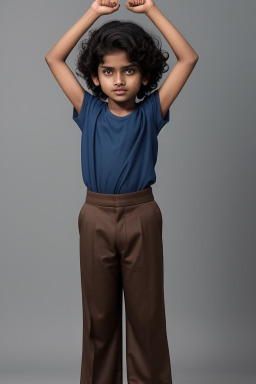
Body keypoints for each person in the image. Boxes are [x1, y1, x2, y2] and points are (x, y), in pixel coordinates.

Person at [45, 1, 198, 383]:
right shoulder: (89, 110)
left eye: (129, 70)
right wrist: (93, 13)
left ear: (144, 76)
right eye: (108, 71)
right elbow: (54, 58)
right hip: (94, 216)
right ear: (95, 78)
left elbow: (187, 58)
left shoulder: (152, 111)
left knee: (146, 319)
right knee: (99, 320)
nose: (118, 80)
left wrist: (152, 11)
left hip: (141, 215)